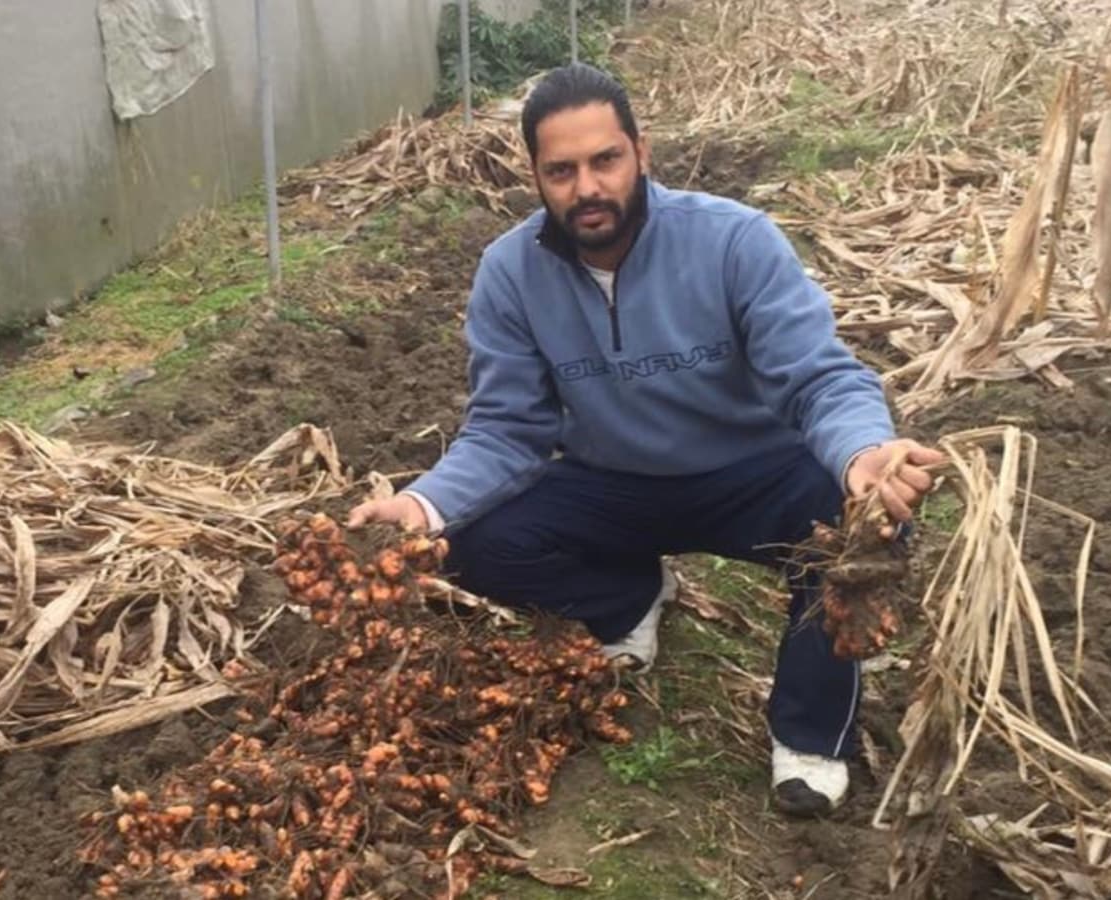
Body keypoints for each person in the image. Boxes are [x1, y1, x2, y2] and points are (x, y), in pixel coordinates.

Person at [349, 62, 942, 817]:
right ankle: (627, 598)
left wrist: (863, 453)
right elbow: (506, 429)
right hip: (613, 483)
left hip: (750, 476)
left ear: (641, 152)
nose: (586, 188)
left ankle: (809, 735)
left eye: (605, 160)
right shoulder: (509, 273)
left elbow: (819, 377)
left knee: (860, 532)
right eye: (560, 171)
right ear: (534, 174)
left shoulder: (733, 241)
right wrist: (421, 507)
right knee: (468, 539)